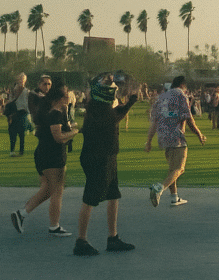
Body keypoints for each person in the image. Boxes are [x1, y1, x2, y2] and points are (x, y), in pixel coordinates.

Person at [74, 72, 138, 256]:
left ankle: (113, 237)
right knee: (90, 199)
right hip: (98, 158)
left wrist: (130, 101)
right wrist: (131, 100)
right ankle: (81, 241)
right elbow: (115, 116)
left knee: (113, 195)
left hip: (107, 156)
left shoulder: (98, 106)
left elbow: (116, 112)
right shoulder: (100, 110)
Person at [11, 79, 79, 237]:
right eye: (66, 96)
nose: (69, 98)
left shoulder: (56, 111)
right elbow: (59, 137)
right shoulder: (54, 113)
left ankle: (21, 214)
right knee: (57, 191)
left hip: (44, 154)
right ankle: (54, 226)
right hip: (52, 156)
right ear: (60, 98)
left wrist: (72, 128)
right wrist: (75, 133)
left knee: (48, 189)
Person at [146, 76, 206, 207]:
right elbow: (189, 119)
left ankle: (175, 197)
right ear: (183, 85)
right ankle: (159, 188)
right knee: (179, 168)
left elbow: (155, 121)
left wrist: (149, 141)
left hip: (163, 136)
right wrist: (199, 134)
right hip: (176, 136)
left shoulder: (161, 97)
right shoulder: (181, 96)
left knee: (172, 168)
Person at [7, 73, 30, 156]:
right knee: (12, 133)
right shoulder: (13, 90)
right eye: (20, 79)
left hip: (22, 113)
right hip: (13, 113)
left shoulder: (27, 91)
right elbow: (10, 101)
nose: (21, 81)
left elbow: (28, 103)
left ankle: (21, 150)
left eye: (23, 80)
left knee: (21, 134)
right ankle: (12, 150)